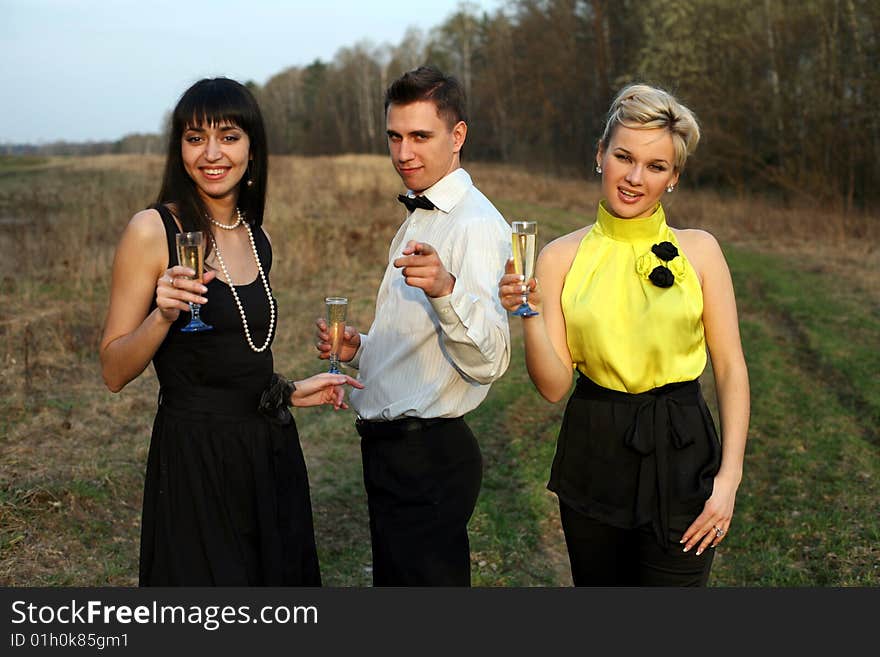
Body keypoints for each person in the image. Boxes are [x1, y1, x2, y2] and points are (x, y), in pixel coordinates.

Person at [99, 77, 361, 586]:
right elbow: (112, 369)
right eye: (196, 138)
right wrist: (162, 315)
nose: (212, 153)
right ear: (179, 150)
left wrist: (288, 391)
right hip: (196, 461)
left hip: (267, 453)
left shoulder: (255, 235)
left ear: (252, 148)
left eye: (229, 136)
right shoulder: (152, 231)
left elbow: (234, 358)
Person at [499, 83, 750, 586]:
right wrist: (527, 313)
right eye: (623, 157)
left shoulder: (701, 252)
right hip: (594, 450)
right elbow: (552, 387)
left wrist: (729, 480)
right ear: (600, 155)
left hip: (683, 452)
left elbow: (730, 367)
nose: (635, 178)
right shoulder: (559, 258)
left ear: (673, 177)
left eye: (656, 166)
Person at [315, 65, 511, 586]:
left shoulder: (477, 226)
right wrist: (361, 346)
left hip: (429, 457)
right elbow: (418, 339)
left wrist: (446, 289)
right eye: (395, 137)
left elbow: (489, 360)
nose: (404, 153)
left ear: (458, 136)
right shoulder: (419, 217)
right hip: (392, 452)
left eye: (421, 136)